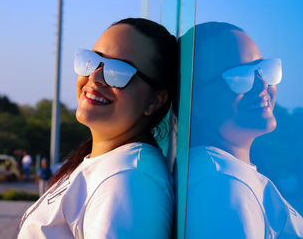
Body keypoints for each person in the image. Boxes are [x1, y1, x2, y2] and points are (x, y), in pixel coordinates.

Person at [17, 18, 179, 238]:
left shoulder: (128, 180)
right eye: (92, 61)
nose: (95, 77)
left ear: (155, 100)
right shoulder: (107, 164)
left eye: (119, 71)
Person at [185, 22, 303, 238]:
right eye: (239, 77)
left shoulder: (224, 174)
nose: (262, 86)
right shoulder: (222, 184)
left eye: (263, 69)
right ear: (196, 100)